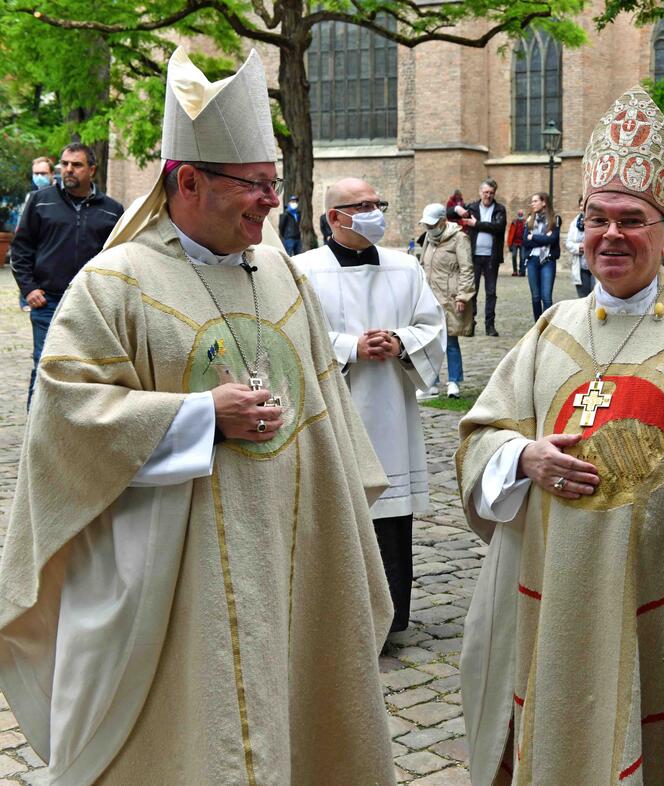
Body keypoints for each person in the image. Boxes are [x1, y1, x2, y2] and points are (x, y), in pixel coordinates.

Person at [0, 48, 399, 784]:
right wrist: (198, 416)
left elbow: (325, 410)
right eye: (254, 185)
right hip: (176, 584)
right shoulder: (114, 285)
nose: (270, 202)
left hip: (291, 551)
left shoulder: (280, 271)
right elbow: (67, 419)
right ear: (187, 181)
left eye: (273, 184)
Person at [456, 85, 664, 786]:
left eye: (632, 221)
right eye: (597, 219)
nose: (611, 235)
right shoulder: (551, 329)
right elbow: (481, 436)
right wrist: (524, 457)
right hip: (562, 588)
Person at [294, 178, 446, 642]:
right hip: (334, 409)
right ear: (334, 217)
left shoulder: (405, 267)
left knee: (391, 518)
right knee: (337, 513)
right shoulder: (302, 270)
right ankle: (339, 621)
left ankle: (392, 616)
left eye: (377, 203)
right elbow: (292, 336)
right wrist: (349, 347)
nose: (374, 212)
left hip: (390, 410)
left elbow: (432, 324)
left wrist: (400, 341)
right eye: (362, 206)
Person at [9, 142, 124, 406]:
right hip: (47, 301)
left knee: (85, 371)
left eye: (77, 165)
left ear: (92, 170)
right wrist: (29, 288)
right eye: (65, 164)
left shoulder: (112, 210)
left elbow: (119, 258)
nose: (68, 169)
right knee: (45, 365)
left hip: (90, 304)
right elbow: (21, 248)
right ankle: (36, 428)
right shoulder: (41, 200)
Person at [418, 202, 475, 399]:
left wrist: (463, 296)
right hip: (430, 296)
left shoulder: (459, 238)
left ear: (443, 221)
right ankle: (430, 383)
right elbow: (423, 264)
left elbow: (467, 269)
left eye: (432, 224)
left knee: (450, 341)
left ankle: (453, 382)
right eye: (427, 225)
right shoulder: (428, 238)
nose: (429, 228)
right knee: (429, 341)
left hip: (450, 297)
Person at [457, 178, 507, 336]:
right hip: (473, 256)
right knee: (473, 291)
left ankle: (489, 325)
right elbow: (449, 212)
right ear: (480, 192)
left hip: (492, 257)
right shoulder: (472, 207)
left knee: (491, 292)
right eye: (486, 192)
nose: (488, 195)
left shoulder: (499, 209)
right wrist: (458, 208)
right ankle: (470, 323)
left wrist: (476, 224)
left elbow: (498, 227)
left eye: (491, 193)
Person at [522, 191, 561, 320]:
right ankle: (537, 326)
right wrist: (544, 238)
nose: (532, 204)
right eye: (532, 201)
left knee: (547, 297)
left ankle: (547, 326)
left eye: (535, 201)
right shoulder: (530, 219)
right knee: (535, 297)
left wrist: (533, 237)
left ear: (543, 202)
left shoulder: (554, 219)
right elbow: (525, 241)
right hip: (532, 260)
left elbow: (552, 240)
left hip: (547, 260)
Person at [565, 194, 593, 297]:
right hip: (581, 266)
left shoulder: (599, 221)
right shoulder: (574, 223)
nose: (583, 208)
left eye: (585, 205)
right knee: (583, 299)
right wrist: (578, 247)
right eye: (581, 205)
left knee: (598, 298)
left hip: (596, 265)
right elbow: (568, 243)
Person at [507, 209, 526, 276]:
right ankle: (515, 271)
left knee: (522, 257)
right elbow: (510, 232)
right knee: (513, 256)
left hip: (522, 242)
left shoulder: (525, 222)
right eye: (519, 214)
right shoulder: (514, 222)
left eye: (521, 214)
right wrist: (509, 243)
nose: (520, 215)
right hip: (514, 242)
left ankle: (521, 271)